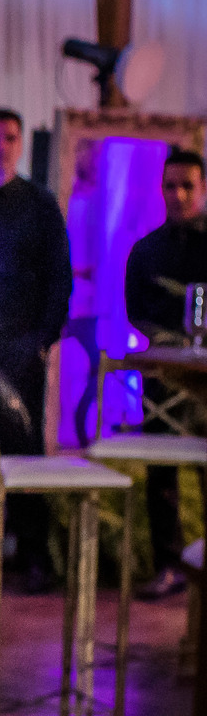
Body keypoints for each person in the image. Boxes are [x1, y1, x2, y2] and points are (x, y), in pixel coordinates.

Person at [0, 107, 72, 593]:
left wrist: (41, 343)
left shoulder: (40, 205)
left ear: (20, 145)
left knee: (23, 452)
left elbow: (59, 278)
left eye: (9, 138)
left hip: (20, 352)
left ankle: (34, 553)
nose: (0, 147)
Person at [125, 146, 207, 600]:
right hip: (162, 375)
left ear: (202, 188)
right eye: (170, 186)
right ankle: (168, 565)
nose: (178, 195)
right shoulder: (145, 251)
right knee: (161, 475)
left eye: (187, 186)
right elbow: (135, 312)